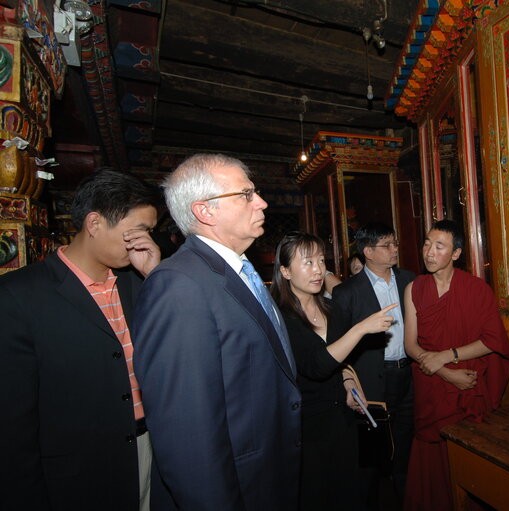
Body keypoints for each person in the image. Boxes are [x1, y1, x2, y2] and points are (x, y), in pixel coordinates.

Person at [132, 153, 301, 510]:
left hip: (264, 476)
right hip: (233, 487)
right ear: (204, 211)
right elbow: (187, 433)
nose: (262, 202)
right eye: (246, 194)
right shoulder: (178, 285)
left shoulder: (235, 270)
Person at [0, 169, 160, 510]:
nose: (144, 240)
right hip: (76, 473)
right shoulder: (18, 296)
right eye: (138, 230)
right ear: (95, 223)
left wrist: (157, 279)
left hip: (150, 451)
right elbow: (13, 426)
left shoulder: (140, 283)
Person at [271, 231, 398, 511]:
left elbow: (339, 361)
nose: (318, 270)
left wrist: (349, 379)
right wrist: (361, 328)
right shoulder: (280, 317)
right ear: (285, 271)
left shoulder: (331, 308)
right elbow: (315, 365)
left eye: (321, 261)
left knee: (349, 493)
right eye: (308, 263)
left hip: (342, 419)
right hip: (307, 425)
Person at [403, 220, 509, 511]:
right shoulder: (414, 288)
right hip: (433, 384)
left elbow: (492, 341)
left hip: (468, 386)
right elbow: (411, 346)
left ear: (455, 253)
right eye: (427, 243)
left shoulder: (477, 289)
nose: (429, 252)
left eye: (439, 246)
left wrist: (448, 354)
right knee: (430, 455)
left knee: (465, 460)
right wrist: (445, 371)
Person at [329, 222, 416, 508]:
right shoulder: (347, 292)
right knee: (372, 458)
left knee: (406, 449)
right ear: (368, 251)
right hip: (371, 382)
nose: (394, 250)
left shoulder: (409, 280)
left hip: (408, 375)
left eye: (395, 243)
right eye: (386, 245)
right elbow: (338, 347)